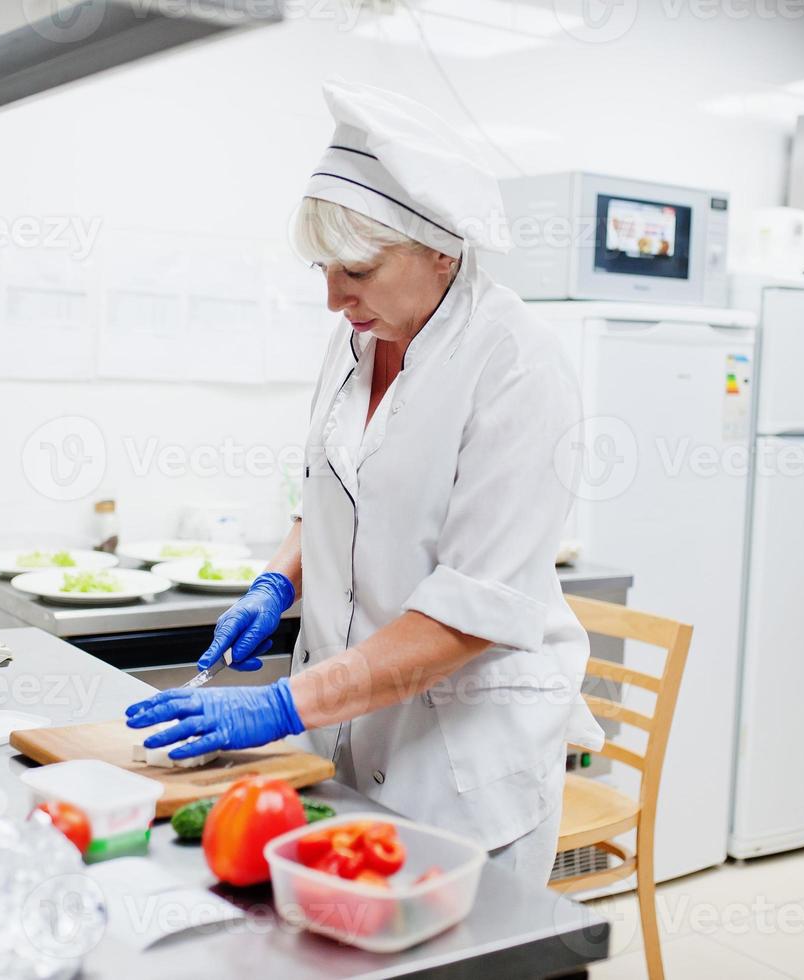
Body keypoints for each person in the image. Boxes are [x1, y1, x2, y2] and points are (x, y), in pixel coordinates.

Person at [127, 79, 602, 883]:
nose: (331, 297)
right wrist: (274, 585)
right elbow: (327, 497)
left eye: (356, 269)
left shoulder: (518, 366)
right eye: (321, 268)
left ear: (440, 250)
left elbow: (469, 613)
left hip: (457, 756)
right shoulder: (359, 338)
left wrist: (281, 705)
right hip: (341, 732)